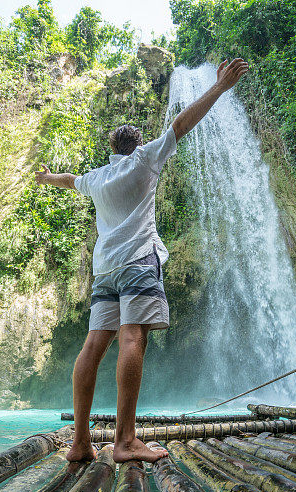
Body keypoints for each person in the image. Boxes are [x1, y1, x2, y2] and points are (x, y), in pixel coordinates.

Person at [35, 58, 249, 463]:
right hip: (137, 261)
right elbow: (183, 124)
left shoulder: (96, 177)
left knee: (94, 346)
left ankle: (80, 444)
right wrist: (219, 88)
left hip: (105, 271)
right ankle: (125, 441)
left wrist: (45, 178)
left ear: (112, 148)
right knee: (133, 337)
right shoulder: (146, 159)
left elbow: (67, 180)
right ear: (138, 144)